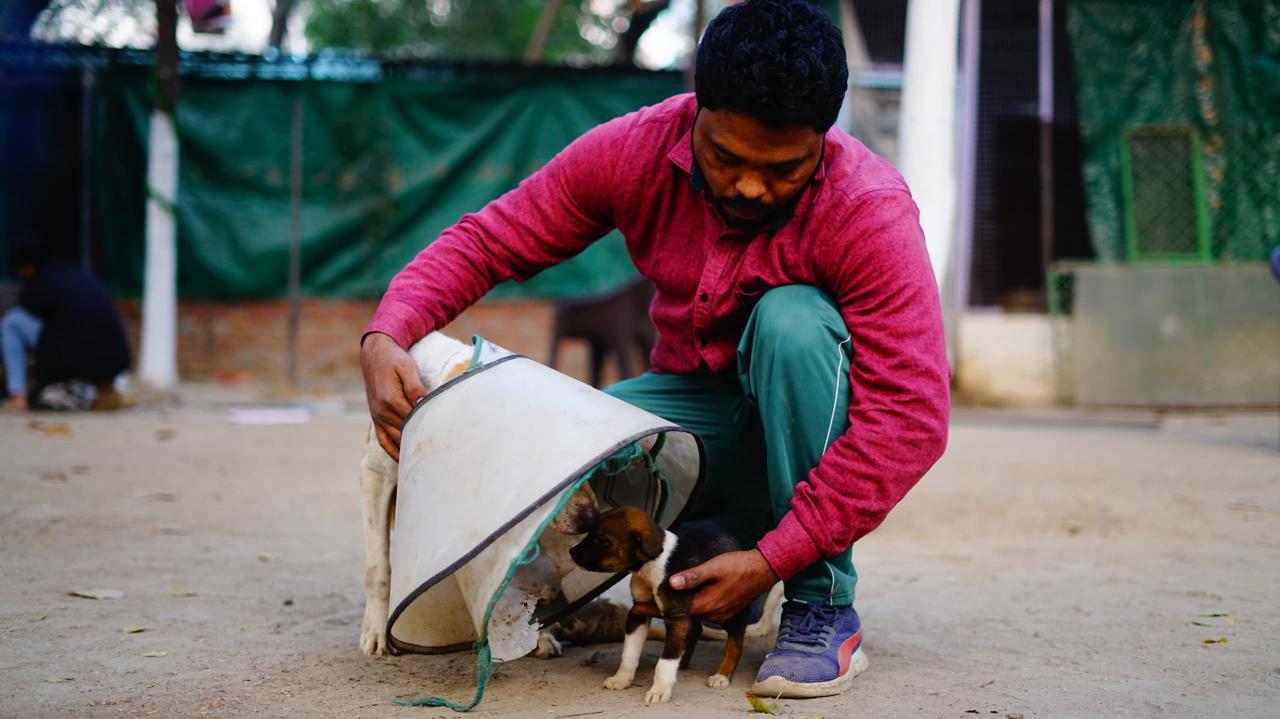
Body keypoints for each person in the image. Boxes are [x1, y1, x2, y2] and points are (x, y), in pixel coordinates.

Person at [360, 0, 949, 699]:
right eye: (727, 157)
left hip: (809, 428)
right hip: (693, 420)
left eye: (784, 169)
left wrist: (775, 558)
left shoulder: (867, 208)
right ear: (696, 109)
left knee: (794, 320)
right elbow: (493, 238)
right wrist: (388, 331)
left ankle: (820, 607)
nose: (752, 185)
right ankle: (680, 572)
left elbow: (911, 418)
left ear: (823, 139)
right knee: (557, 457)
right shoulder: (635, 149)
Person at [1, 242, 130, 411]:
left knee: (12, 321)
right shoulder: (82, 278)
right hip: (116, 360)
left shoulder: (39, 283)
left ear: (26, 268)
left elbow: (31, 307)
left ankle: (18, 396)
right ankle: (105, 389)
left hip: (70, 359)